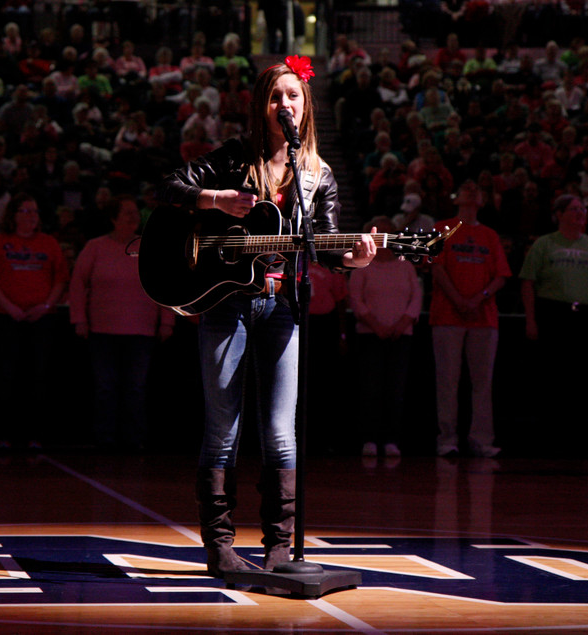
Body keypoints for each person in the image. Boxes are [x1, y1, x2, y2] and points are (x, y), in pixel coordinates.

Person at [157, 56, 377, 577]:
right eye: (276, 96)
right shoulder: (236, 158)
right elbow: (169, 187)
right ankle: (220, 546)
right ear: (263, 106)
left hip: (283, 305)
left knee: (281, 431)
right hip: (224, 302)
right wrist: (214, 201)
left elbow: (322, 244)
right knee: (222, 428)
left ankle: (280, 545)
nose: (285, 105)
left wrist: (354, 255)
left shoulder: (317, 174)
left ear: (306, 107)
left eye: (293, 96)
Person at [69, 195, 175, 451]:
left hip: (141, 330)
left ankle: (134, 441)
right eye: (126, 213)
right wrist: (79, 320)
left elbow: (164, 285)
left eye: (134, 213)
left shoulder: (150, 246)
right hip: (102, 330)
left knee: (136, 388)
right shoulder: (95, 247)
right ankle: (104, 440)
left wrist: (167, 322)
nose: (132, 217)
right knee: (105, 387)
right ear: (113, 218)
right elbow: (77, 284)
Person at [0, 193, 69, 450]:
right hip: (4, 317)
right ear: (12, 215)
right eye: (25, 211)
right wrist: (10, 307)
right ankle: (3, 434)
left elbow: (60, 279)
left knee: (38, 375)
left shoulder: (49, 243)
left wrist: (47, 305)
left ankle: (34, 435)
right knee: (6, 375)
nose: (31, 216)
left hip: (42, 319)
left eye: (34, 211)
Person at [519, 194, 588, 444]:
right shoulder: (544, 244)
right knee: (553, 376)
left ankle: (578, 435)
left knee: (582, 377)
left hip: (587, 316)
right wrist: (531, 319)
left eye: (583, 209)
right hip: (554, 313)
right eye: (573, 209)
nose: (580, 213)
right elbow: (528, 282)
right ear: (559, 214)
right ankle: (551, 435)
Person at [430, 181, 511, 458]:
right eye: (466, 188)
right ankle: (447, 439)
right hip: (447, 316)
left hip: (484, 318)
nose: (472, 192)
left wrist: (478, 298)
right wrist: (459, 299)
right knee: (447, 381)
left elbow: (501, 276)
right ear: (456, 198)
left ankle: (481, 440)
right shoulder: (442, 227)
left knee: (482, 382)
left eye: (477, 189)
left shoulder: (489, 235)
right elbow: (437, 268)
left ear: (484, 200)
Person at [349, 215, 422, 459]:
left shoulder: (405, 265)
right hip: (370, 336)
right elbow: (356, 300)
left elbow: (416, 298)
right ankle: (369, 439)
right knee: (370, 388)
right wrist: (376, 325)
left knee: (396, 388)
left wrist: (402, 323)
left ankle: (392, 440)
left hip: (401, 336)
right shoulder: (362, 265)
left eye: (388, 232)